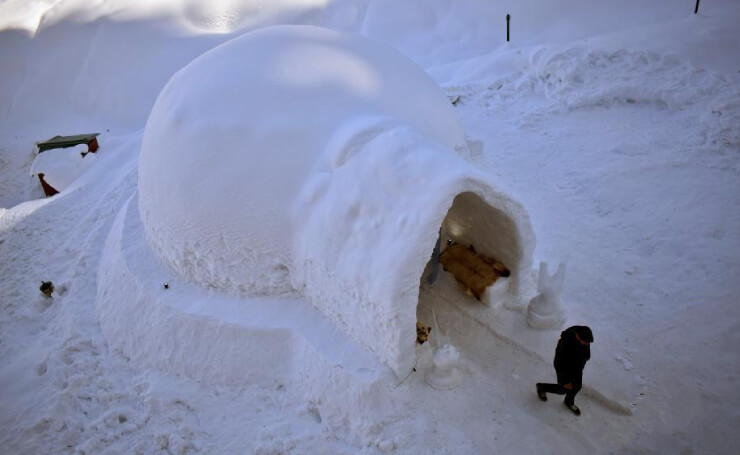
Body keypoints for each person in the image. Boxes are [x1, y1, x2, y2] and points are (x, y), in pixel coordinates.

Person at [536, 325, 593, 416]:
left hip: (577, 369)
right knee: (563, 389)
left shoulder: (583, 336)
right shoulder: (566, 346)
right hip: (565, 371)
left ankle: (568, 402)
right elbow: (559, 364)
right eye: (585, 342)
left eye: (588, 343)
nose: (587, 344)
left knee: (577, 386)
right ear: (577, 337)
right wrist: (565, 381)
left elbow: (584, 353)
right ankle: (542, 387)